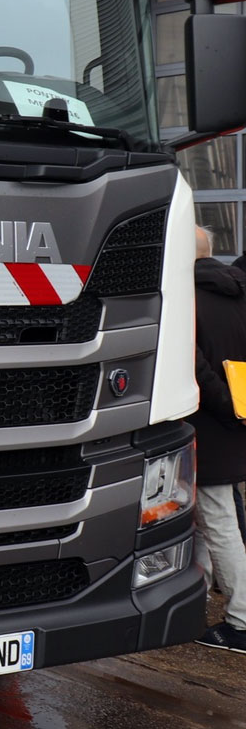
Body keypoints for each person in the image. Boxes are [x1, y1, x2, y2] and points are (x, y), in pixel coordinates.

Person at [192, 227, 246, 652]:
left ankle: (243, 620)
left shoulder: (185, 301)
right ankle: (192, 597)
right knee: (204, 519)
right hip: (236, 425)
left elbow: (193, 367)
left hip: (204, 428)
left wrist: (223, 402)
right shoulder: (239, 293)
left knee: (218, 521)